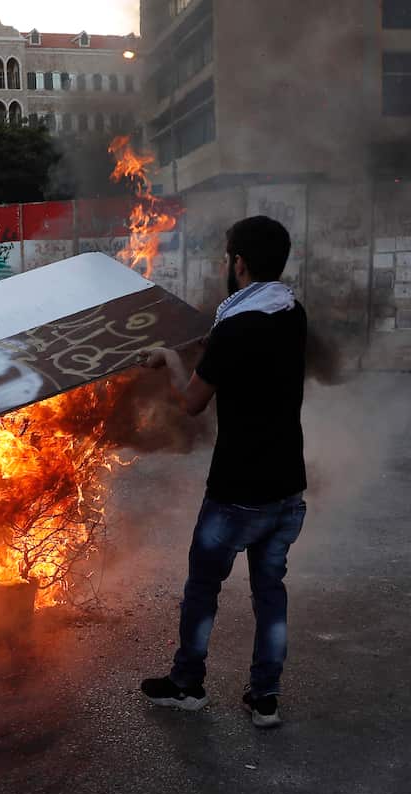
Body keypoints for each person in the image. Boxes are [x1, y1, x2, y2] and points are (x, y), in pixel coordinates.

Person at [139, 216, 307, 729]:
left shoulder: (236, 326)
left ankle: (187, 685)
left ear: (239, 263)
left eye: (228, 256)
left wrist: (168, 358)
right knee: (270, 594)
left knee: (202, 589)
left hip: (238, 489)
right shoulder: (292, 312)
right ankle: (265, 698)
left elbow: (192, 402)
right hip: (286, 487)